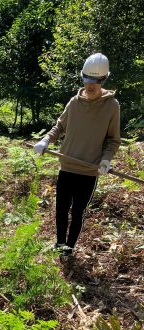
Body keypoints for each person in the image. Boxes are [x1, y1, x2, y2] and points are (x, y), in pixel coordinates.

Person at [33, 53, 120, 256]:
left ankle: (69, 249)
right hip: (68, 166)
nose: (91, 85)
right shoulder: (74, 102)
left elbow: (113, 140)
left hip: (89, 171)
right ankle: (59, 244)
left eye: (96, 81)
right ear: (82, 77)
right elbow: (60, 126)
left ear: (104, 80)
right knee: (61, 209)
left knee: (78, 211)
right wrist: (46, 140)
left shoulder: (112, 107)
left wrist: (106, 159)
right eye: (88, 79)